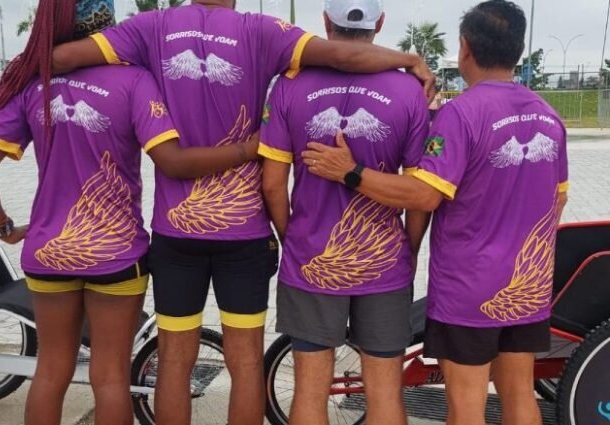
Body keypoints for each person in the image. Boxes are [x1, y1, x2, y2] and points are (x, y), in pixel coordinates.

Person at [49, 2, 435, 424]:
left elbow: (61, 58)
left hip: (176, 236)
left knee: (175, 359)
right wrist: (408, 59)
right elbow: (344, 57)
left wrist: (294, 238)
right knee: (248, 361)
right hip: (246, 234)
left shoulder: (152, 27)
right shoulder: (262, 31)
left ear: (327, 20)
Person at [0, 1, 260, 424]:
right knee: (110, 376)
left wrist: (1, 226)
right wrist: (248, 149)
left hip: (49, 251)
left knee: (50, 371)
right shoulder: (134, 81)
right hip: (117, 254)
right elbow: (172, 161)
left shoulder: (35, 86)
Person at [301, 2, 568, 425]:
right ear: (518, 49)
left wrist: (350, 172)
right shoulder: (549, 116)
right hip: (528, 288)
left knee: (466, 406)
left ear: (465, 48)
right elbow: (559, 199)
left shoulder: (461, 113)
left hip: (470, 291)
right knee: (520, 397)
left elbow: (424, 195)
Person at [260, 2, 430, 424]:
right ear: (380, 24)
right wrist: (407, 249)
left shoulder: (289, 84)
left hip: (311, 260)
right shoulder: (410, 89)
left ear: (325, 21)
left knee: (309, 392)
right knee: (385, 395)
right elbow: (419, 193)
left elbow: (272, 185)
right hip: (385, 264)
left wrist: (293, 238)